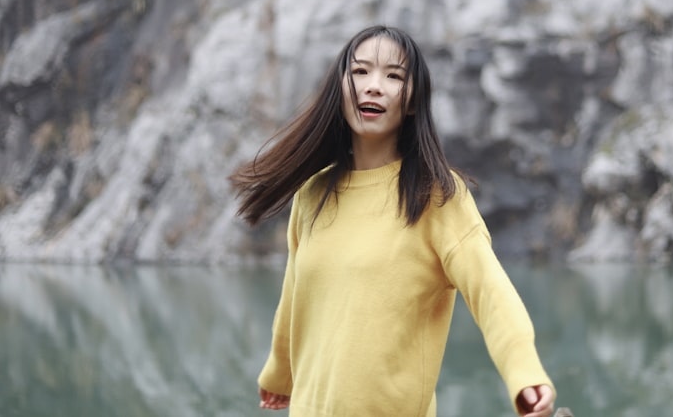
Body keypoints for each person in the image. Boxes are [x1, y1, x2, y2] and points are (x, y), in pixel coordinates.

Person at [230, 25, 556, 417]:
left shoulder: (436, 195)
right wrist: (280, 375)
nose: (374, 86)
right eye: (361, 71)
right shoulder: (312, 195)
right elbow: (295, 298)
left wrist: (525, 373)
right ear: (341, 89)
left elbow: (490, 292)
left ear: (413, 101)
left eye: (394, 76)